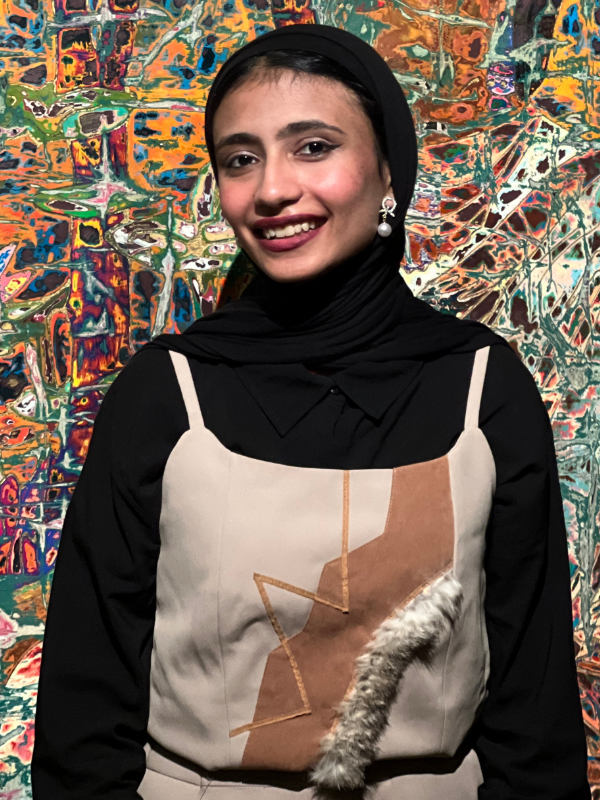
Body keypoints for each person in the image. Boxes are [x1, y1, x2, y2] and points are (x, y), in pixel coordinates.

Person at [31, 24, 589, 800]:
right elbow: (84, 709)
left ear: (390, 170)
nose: (270, 190)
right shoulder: (165, 393)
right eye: (240, 159)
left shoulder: (483, 388)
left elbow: (536, 708)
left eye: (314, 146)